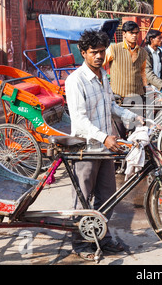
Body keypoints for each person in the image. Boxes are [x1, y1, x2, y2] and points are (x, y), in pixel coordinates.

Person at [65, 29, 143, 261]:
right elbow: (79, 121)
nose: (99, 56)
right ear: (83, 53)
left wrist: (132, 116)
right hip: (85, 150)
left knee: (107, 195)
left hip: (105, 149)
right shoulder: (75, 80)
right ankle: (80, 244)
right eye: (93, 53)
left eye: (101, 52)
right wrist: (105, 137)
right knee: (83, 197)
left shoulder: (102, 76)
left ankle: (103, 237)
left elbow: (111, 106)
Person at [104, 20, 148, 137]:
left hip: (136, 95)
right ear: (124, 34)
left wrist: (146, 86)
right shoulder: (114, 49)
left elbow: (143, 71)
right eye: (131, 33)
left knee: (136, 128)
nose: (134, 35)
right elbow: (100, 64)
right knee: (120, 129)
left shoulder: (142, 52)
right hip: (119, 96)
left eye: (136, 33)